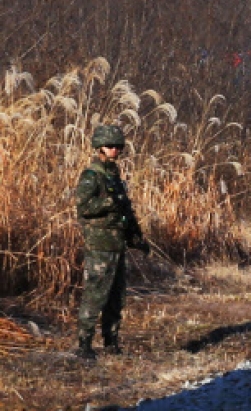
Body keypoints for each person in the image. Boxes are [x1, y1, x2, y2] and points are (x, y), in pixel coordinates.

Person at [74, 125, 150, 360]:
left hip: (117, 245)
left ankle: (111, 342)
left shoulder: (114, 176)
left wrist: (136, 238)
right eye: (110, 146)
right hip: (99, 245)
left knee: (117, 297)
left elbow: (126, 212)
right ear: (99, 148)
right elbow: (83, 208)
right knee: (95, 295)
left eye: (118, 146)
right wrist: (108, 203)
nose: (115, 150)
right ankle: (84, 345)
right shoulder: (92, 176)